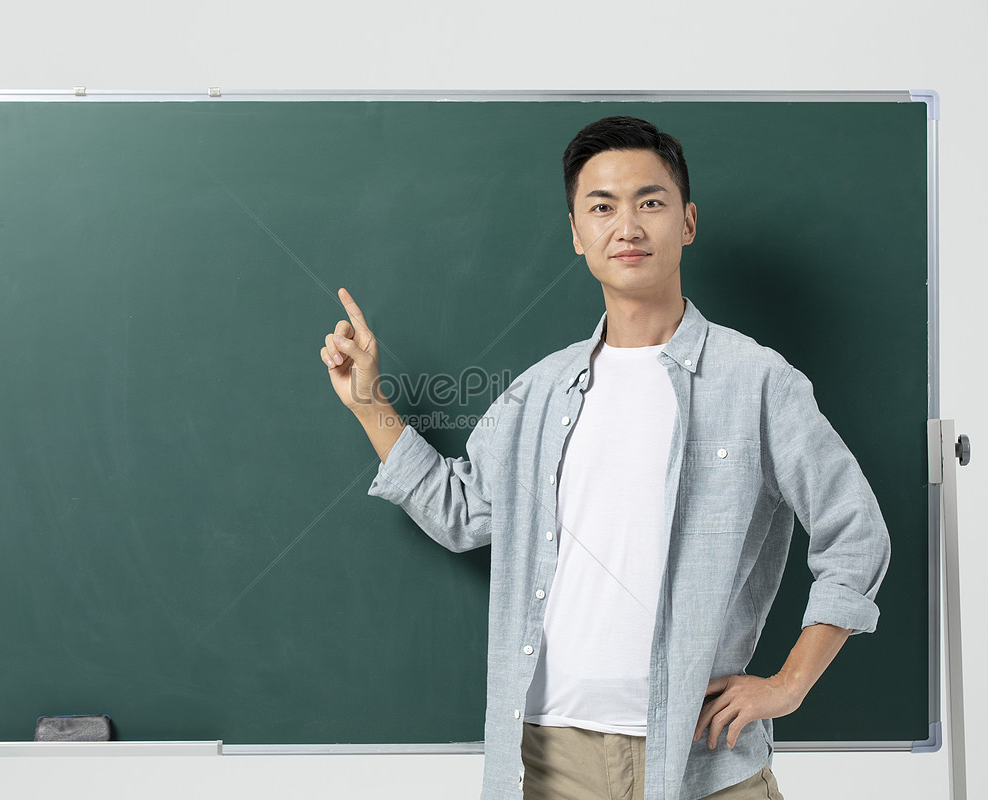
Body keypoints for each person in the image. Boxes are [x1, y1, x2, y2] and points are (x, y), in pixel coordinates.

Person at [318, 116, 889, 800]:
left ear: (688, 221)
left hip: (703, 757)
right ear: (576, 233)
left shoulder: (758, 381)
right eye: (602, 207)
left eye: (651, 202)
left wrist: (790, 683)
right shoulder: (540, 390)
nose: (628, 226)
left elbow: (856, 532)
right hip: (554, 758)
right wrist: (368, 402)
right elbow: (463, 513)